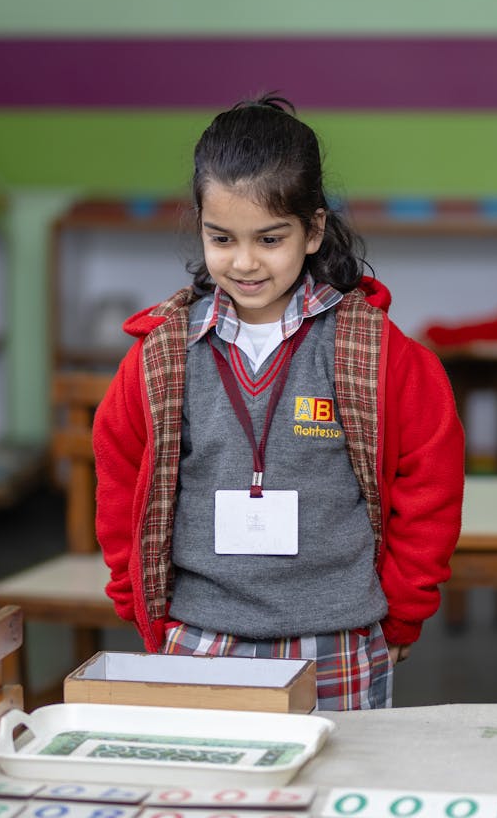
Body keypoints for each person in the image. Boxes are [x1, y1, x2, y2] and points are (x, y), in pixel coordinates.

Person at [93, 95, 464, 711]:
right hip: (199, 643)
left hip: (338, 644)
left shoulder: (377, 352)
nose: (244, 262)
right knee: (215, 804)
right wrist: (139, 608)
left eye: (269, 238)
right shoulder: (162, 357)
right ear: (200, 226)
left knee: (331, 804)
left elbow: (430, 488)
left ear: (313, 229)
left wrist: (401, 617)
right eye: (222, 238)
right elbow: (118, 479)